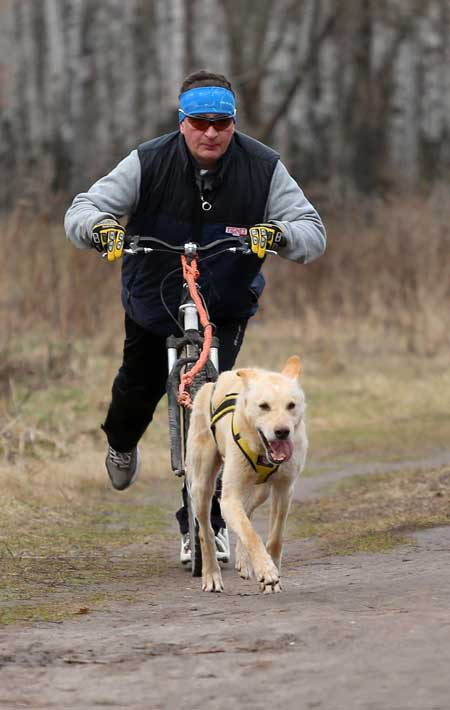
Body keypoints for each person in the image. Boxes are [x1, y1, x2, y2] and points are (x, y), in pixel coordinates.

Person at [64, 69, 326, 564]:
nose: (211, 133)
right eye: (200, 122)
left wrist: (278, 234)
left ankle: (204, 526)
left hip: (223, 303)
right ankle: (120, 443)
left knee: (216, 407)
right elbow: (85, 207)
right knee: (137, 388)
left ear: (233, 123)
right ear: (182, 122)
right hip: (152, 296)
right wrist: (101, 229)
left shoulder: (264, 167)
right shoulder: (147, 161)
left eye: (221, 123)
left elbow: (312, 230)